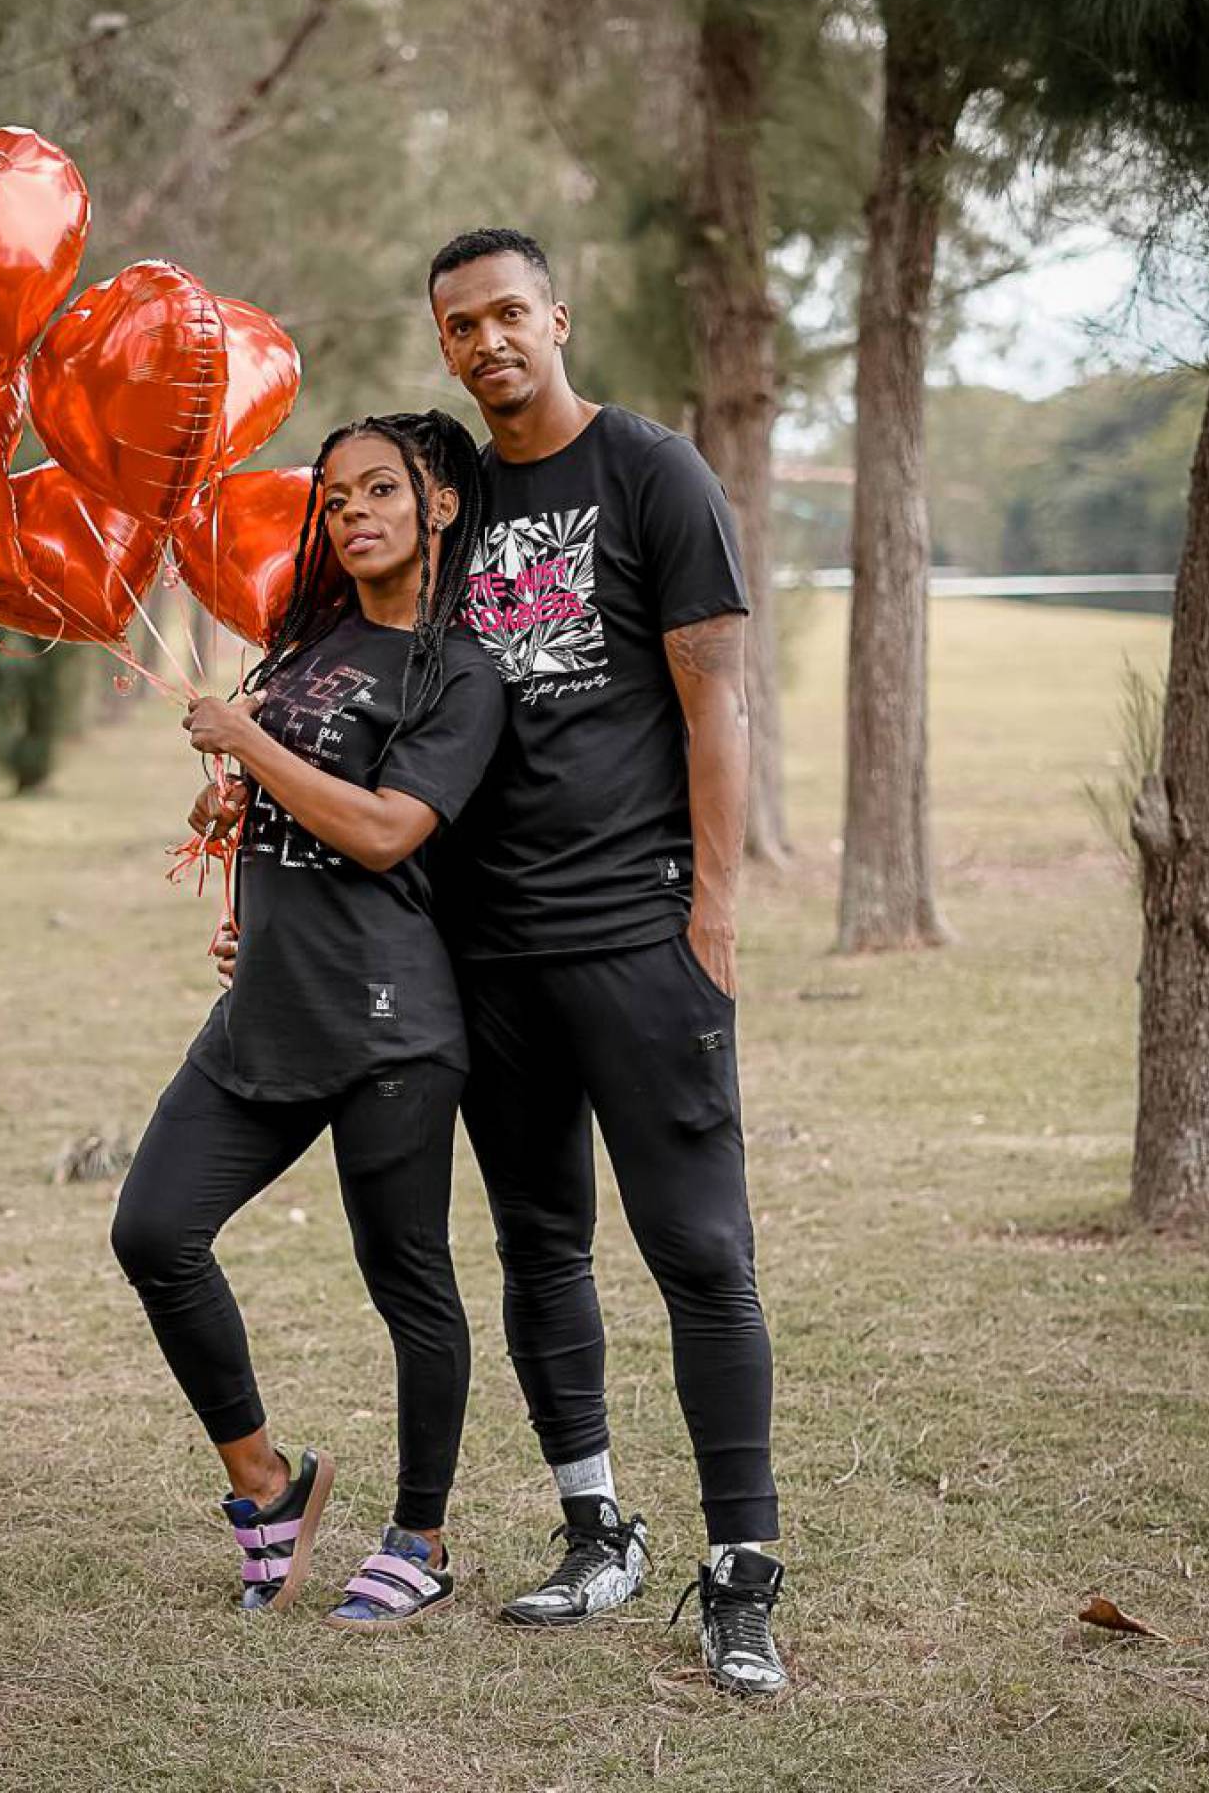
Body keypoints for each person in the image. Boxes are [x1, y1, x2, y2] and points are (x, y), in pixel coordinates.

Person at [425, 225, 787, 1694]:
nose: (487, 341)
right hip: (486, 956)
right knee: (537, 1243)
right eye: (460, 325)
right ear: (442, 343)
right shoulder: (442, 501)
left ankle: (740, 1573)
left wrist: (709, 925)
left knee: (701, 1252)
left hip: (638, 936)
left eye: (509, 312)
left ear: (555, 316)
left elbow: (715, 711)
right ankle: (596, 1530)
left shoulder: (651, 473)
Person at [111, 410, 504, 1627]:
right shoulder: (313, 636)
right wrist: (229, 803)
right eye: (334, 501)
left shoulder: (460, 673)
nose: (354, 516)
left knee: (407, 1281)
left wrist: (248, 746)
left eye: (379, 491)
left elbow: (389, 828)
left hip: (390, 1023)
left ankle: (420, 1536)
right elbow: (280, 791)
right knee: (153, 1232)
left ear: (437, 504)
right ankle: (267, 1485)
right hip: (269, 1002)